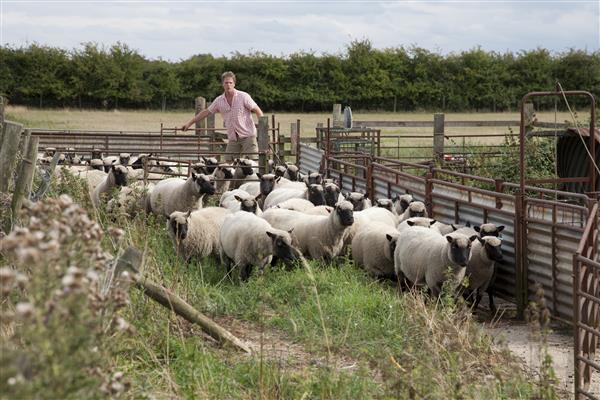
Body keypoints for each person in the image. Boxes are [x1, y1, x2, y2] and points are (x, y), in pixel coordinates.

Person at [181, 71, 264, 161]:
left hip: (248, 135)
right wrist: (189, 124)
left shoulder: (243, 96)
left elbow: (257, 110)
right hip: (233, 138)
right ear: (222, 84)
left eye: (230, 83)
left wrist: (263, 128)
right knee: (228, 163)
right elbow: (206, 112)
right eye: (226, 83)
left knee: (253, 163)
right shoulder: (219, 101)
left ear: (234, 84)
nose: (228, 85)